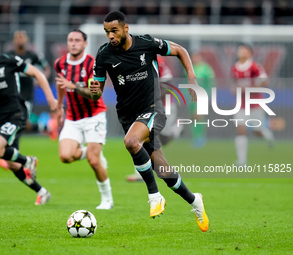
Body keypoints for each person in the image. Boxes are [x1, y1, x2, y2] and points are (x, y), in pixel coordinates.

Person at [89, 11, 209, 232]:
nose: (110, 36)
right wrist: (94, 91)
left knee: (131, 142)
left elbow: (180, 50)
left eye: (114, 30)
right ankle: (195, 201)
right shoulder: (104, 54)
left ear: (126, 28)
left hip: (153, 109)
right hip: (127, 115)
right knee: (163, 170)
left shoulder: (146, 43)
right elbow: (95, 92)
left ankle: (154, 196)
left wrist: (191, 75)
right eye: (107, 32)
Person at [0, 29, 57, 205]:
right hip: (0, 118)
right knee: (12, 164)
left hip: (16, 113)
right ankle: (42, 191)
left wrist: (50, 98)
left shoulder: (9, 60)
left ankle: (29, 160)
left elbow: (37, 73)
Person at [54, 29, 113, 210]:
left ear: (85, 43)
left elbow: (94, 95)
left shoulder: (92, 65)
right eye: (70, 40)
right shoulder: (60, 63)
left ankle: (107, 199)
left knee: (94, 162)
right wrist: (59, 105)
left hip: (94, 115)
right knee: (65, 156)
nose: (73, 43)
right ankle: (92, 150)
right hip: (73, 117)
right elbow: (61, 84)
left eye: (77, 40)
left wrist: (74, 86)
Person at [0, 30, 52, 170]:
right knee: (22, 125)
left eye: (22, 37)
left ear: (26, 40)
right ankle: (46, 128)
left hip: (26, 96)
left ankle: (12, 157)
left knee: (18, 124)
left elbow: (46, 68)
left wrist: (40, 79)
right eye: (17, 37)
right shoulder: (10, 56)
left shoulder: (32, 56)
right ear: (14, 40)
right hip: (12, 96)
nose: (20, 40)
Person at [126, 56, 182, 182]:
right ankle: (140, 173)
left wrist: (152, 96)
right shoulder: (132, 61)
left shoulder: (157, 60)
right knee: (143, 137)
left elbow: (169, 82)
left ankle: (177, 129)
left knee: (165, 138)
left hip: (165, 106)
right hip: (147, 108)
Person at [231, 44, 275, 166]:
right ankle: (242, 161)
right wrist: (235, 89)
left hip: (255, 104)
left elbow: (265, 82)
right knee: (240, 129)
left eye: (244, 50)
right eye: (240, 50)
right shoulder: (235, 68)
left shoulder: (255, 67)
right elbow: (235, 85)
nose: (242, 52)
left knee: (258, 131)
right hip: (240, 105)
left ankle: (269, 137)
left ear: (250, 53)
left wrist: (248, 88)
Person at [189, 52, 215, 148]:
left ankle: (201, 138)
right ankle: (195, 137)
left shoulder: (206, 68)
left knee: (199, 116)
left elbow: (211, 82)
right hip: (191, 96)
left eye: (197, 57)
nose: (195, 59)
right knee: (193, 117)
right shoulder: (190, 69)